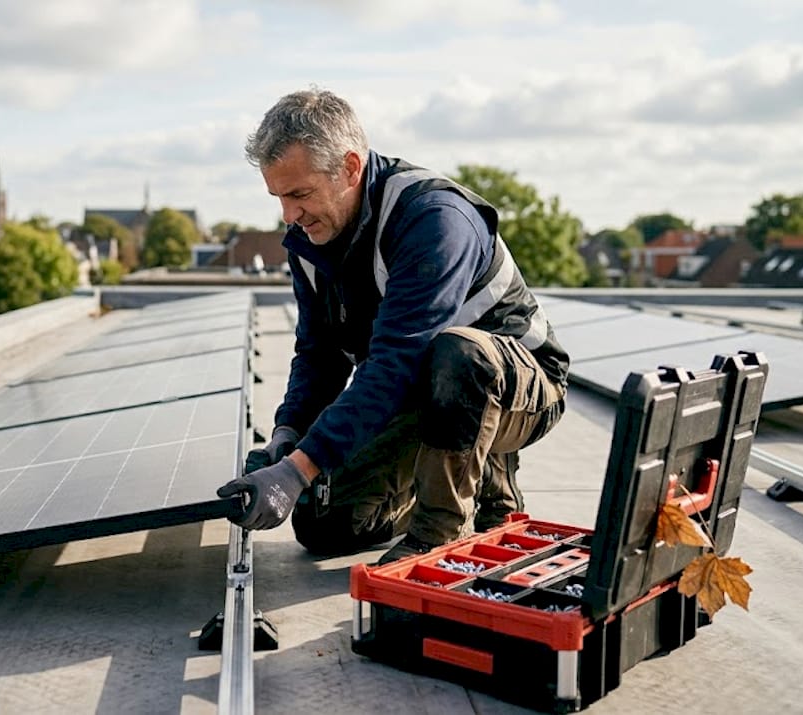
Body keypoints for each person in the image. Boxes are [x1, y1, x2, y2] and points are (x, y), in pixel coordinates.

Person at [216, 88, 570, 564]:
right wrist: (289, 436)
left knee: (457, 354)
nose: (289, 215)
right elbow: (319, 354)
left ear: (350, 168)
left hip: (520, 390)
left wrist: (298, 469)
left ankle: (444, 526)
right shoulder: (311, 240)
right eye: (279, 197)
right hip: (424, 393)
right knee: (326, 524)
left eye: (299, 194)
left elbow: (397, 362)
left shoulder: (434, 221)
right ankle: (463, 471)